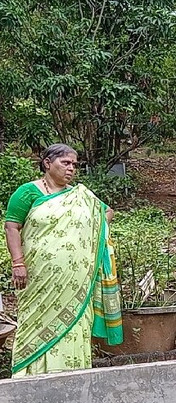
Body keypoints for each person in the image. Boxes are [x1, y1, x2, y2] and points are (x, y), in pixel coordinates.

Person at [4, 143, 122, 377]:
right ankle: (30, 377)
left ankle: (73, 376)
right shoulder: (28, 192)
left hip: (76, 279)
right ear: (47, 164)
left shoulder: (81, 195)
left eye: (74, 165)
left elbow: (106, 212)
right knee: (34, 321)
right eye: (65, 163)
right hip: (39, 276)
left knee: (75, 324)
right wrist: (18, 262)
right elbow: (11, 227)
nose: (71, 169)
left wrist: (90, 232)